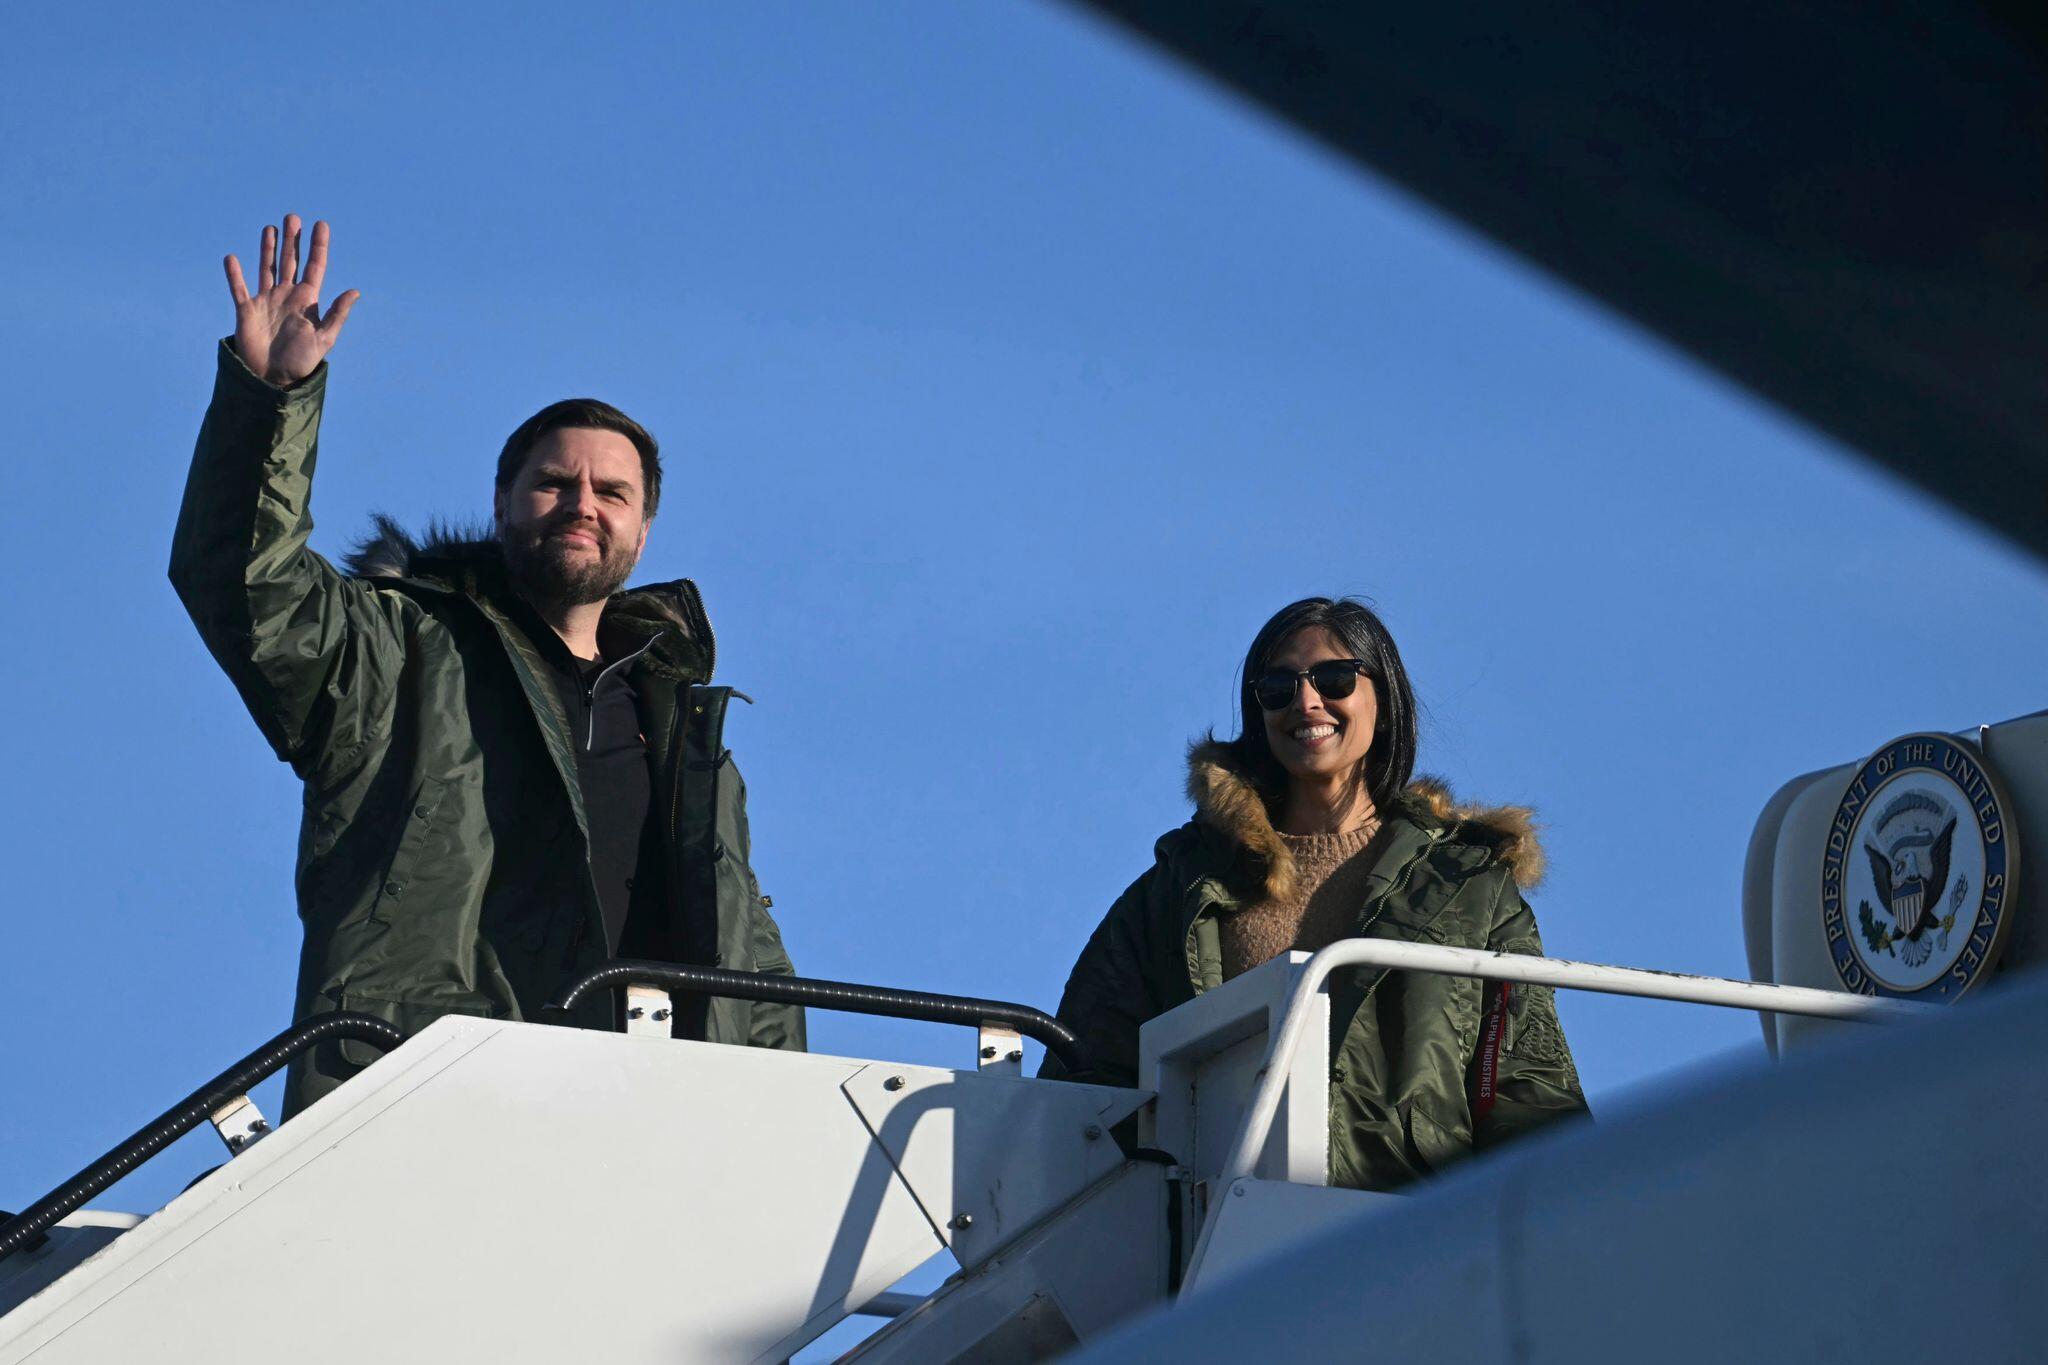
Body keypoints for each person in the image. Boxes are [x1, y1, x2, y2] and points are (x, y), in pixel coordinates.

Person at [170, 215, 803, 1115]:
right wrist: (271, 402)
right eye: (554, 482)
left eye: (612, 492)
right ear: (502, 502)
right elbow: (244, 585)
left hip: (669, 1120)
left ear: (643, 532)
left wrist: (789, 1122)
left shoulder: (686, 733)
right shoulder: (395, 651)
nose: (582, 504)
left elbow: (752, 964)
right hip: (434, 1099)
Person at [1045, 597, 1587, 1190]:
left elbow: (1527, 1090)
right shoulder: (1183, 886)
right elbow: (1088, 1088)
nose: (1306, 702)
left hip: (1412, 1226)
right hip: (1221, 1227)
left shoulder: (1469, 888)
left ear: (1385, 700)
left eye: (1334, 679)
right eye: (1278, 688)